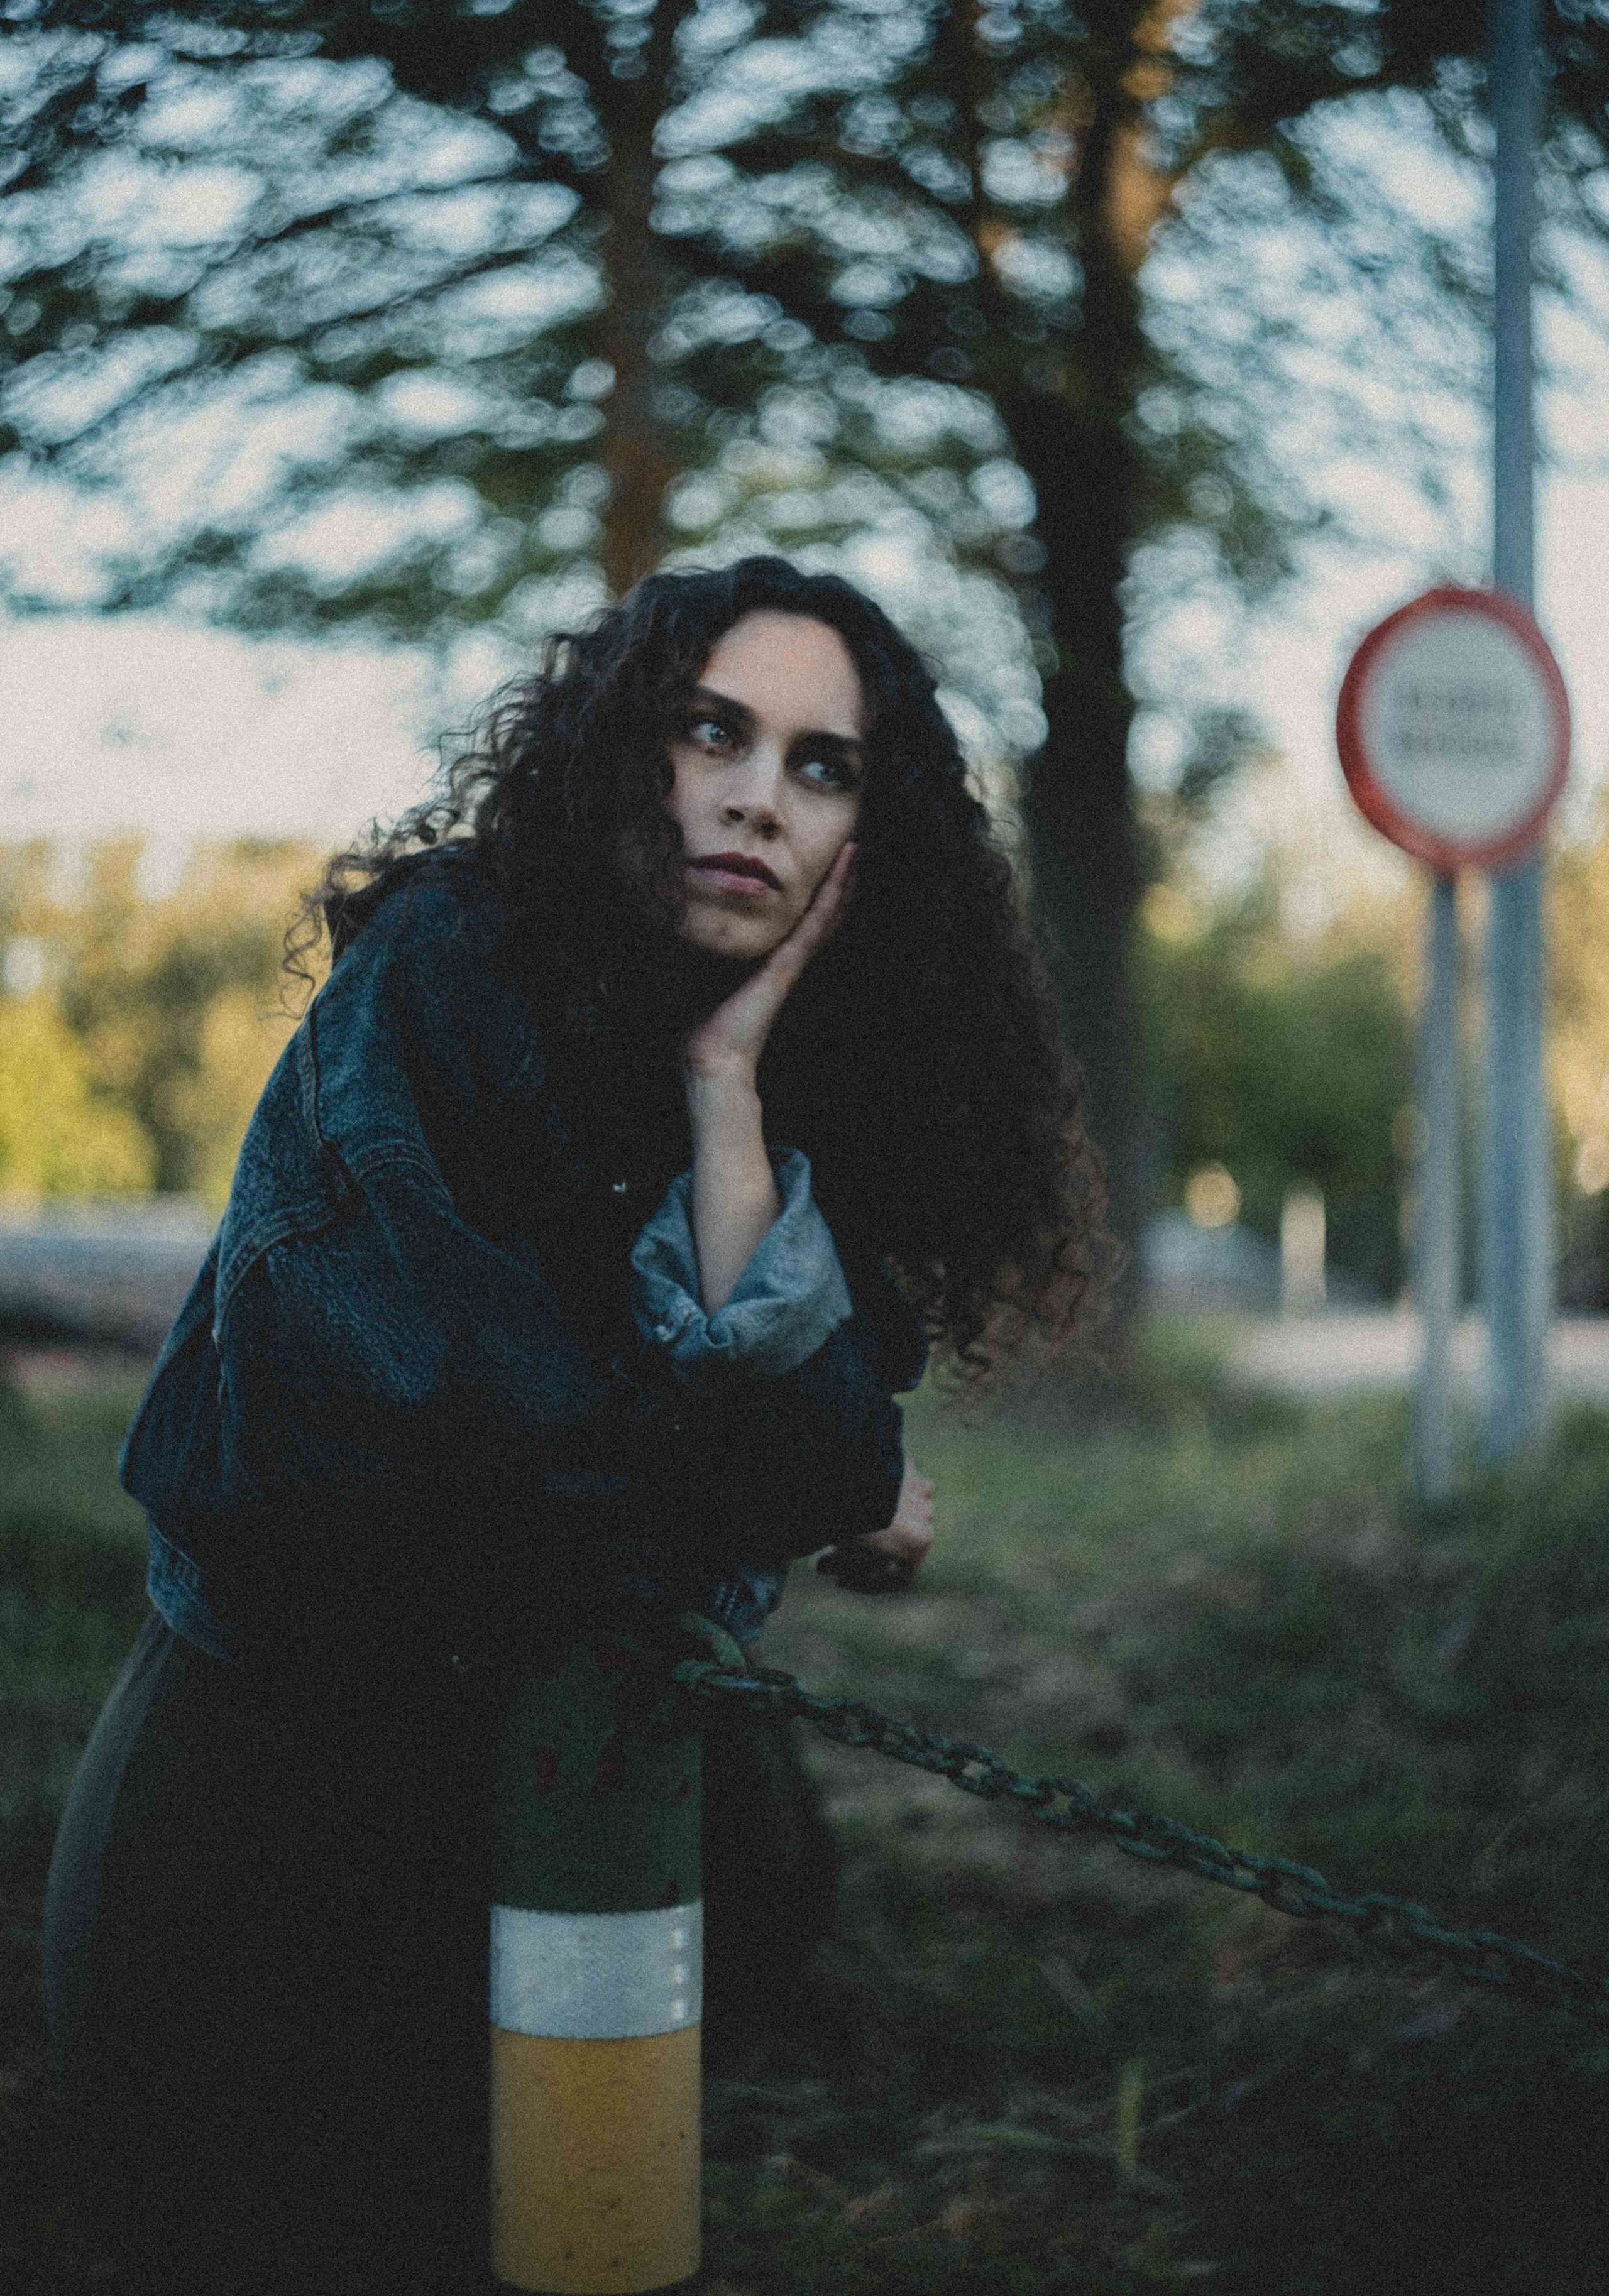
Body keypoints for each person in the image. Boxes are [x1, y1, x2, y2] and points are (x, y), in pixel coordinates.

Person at [41, 556, 1114, 2293]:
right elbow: (417, 1437)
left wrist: (725, 1109)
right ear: (632, 752)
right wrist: (789, 1483)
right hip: (282, 1781)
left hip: (590, 1782)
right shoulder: (443, 975)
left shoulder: (816, 1061)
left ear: (868, 833)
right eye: (716, 733)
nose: (759, 795)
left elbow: (800, 1442)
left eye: (822, 765)